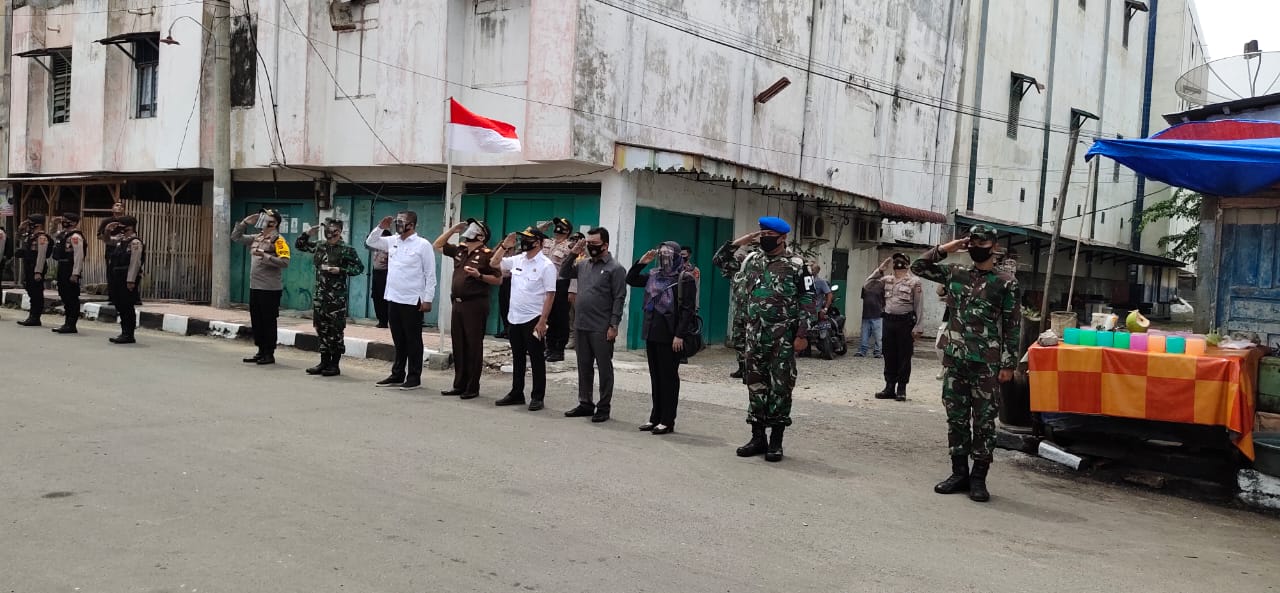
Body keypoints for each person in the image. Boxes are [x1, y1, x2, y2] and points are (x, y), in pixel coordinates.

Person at [912, 224, 1019, 503]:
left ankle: (979, 478)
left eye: (981, 242)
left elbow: (1012, 325)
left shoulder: (1005, 281)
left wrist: (1008, 364)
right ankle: (958, 473)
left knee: (984, 423)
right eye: (972, 242)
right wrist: (948, 248)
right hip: (956, 360)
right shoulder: (955, 274)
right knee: (956, 419)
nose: (975, 246)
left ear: (993, 247)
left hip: (986, 364)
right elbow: (918, 266)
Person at [728, 217, 817, 463]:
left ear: (782, 238)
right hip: (753, 336)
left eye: (769, 233)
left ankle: (776, 441)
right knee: (755, 386)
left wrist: (802, 334)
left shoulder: (797, 265)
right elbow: (721, 262)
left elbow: (808, 300)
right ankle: (758, 437)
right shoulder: (751, 261)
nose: (764, 237)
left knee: (780, 388)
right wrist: (741, 242)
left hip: (783, 339)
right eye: (762, 232)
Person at [559, 227, 628, 423]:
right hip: (581, 324)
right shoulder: (583, 265)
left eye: (594, 244)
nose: (590, 247)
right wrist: (573, 252)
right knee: (583, 366)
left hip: (601, 327)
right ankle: (585, 403)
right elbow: (563, 272)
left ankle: (604, 406)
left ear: (605, 245)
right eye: (588, 243)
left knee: (604, 368)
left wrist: (613, 325)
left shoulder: (616, 268)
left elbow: (619, 298)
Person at [628, 241, 697, 434]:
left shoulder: (685, 278)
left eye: (668, 255)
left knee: (668, 378)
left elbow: (687, 310)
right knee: (655, 377)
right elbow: (631, 279)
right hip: (652, 331)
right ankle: (655, 417)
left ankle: (667, 420)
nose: (664, 259)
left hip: (670, 335)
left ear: (676, 257)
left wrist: (679, 335)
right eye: (662, 255)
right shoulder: (653, 275)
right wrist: (642, 262)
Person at [366, 212, 437, 391]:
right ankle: (397, 374)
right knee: (398, 339)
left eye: (401, 221)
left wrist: (428, 299)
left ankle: (414, 376)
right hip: (393, 297)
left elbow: (430, 274)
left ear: (412, 224)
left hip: (413, 300)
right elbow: (371, 242)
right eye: (397, 220)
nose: (398, 223)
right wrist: (380, 227)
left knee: (413, 340)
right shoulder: (393, 241)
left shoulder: (423, 245)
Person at [489, 226, 558, 411]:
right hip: (515, 317)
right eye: (523, 239)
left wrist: (543, 321)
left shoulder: (546, 265)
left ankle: (537, 396)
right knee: (518, 357)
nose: (524, 242)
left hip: (534, 318)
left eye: (529, 239)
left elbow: (550, 295)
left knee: (536, 358)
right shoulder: (517, 259)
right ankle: (516, 392)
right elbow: (494, 264)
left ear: (539, 242)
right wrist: (504, 246)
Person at [435, 218, 501, 399]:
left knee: (473, 345)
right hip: (457, 303)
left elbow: (498, 279)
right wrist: (452, 230)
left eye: (474, 228)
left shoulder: (488, 254)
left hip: (475, 304)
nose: (469, 230)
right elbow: (438, 245)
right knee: (459, 345)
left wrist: (480, 276)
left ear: (481, 235)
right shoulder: (461, 250)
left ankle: (472, 387)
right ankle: (459, 384)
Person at [295, 218, 365, 377]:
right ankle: (323, 361)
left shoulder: (347, 249)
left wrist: (340, 270)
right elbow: (300, 246)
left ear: (339, 232)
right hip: (320, 296)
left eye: (333, 230)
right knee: (321, 329)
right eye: (327, 230)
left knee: (336, 330)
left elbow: (359, 268)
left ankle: (335, 364)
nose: (329, 233)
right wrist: (307, 234)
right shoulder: (320, 246)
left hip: (336, 299)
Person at [231, 209, 291, 365]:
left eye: (267, 219)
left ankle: (269, 353)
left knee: (268, 321)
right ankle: (260, 350)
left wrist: (265, 256)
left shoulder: (278, 240)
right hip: (255, 286)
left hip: (270, 289)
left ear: (274, 223)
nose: (263, 221)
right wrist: (244, 222)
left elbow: (285, 262)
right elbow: (235, 237)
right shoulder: (256, 237)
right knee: (256, 320)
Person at [867, 253, 924, 401]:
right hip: (888, 321)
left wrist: (918, 326)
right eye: (896, 259)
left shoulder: (914, 281)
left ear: (908, 263)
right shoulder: (886, 280)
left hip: (905, 322)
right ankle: (889, 387)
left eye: (902, 260)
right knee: (889, 354)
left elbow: (919, 305)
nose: (899, 262)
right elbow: (867, 286)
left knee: (904, 356)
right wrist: (880, 270)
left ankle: (901, 389)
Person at [712, 239, 755, 380]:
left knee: (756, 342)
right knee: (739, 340)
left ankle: (753, 370)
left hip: (758, 314)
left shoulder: (767, 269)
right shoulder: (738, 268)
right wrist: (743, 240)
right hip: (740, 312)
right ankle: (742, 368)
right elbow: (718, 259)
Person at [104, 216, 145, 344]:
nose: (119, 228)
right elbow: (107, 241)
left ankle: (129, 334)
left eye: (122, 225)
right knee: (120, 304)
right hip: (118, 276)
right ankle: (124, 332)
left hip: (127, 277)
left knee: (127, 305)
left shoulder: (135, 242)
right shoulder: (121, 240)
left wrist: (131, 280)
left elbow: (135, 262)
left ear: (130, 227)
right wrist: (107, 231)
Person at [541, 217, 577, 362]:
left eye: (560, 226)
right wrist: (544, 226)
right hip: (544, 284)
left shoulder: (570, 246)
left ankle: (558, 350)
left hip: (561, 284)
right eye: (556, 226)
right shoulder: (546, 242)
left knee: (560, 318)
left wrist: (573, 290)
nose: (557, 229)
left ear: (567, 230)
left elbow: (575, 268)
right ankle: (548, 347)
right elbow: (532, 234)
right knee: (547, 316)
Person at [50, 213, 86, 334]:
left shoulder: (76, 237)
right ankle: (67, 323)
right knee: (64, 294)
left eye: (67, 221)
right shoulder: (64, 234)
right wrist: (54, 224)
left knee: (71, 297)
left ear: (74, 223)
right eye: (63, 220)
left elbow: (78, 256)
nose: (64, 222)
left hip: (70, 268)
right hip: (62, 266)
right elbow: (53, 234)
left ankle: (71, 324)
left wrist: (75, 273)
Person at [15, 214, 50, 327]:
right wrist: (21, 228)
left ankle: (35, 317)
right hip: (29, 266)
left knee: (36, 293)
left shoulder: (42, 238)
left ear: (38, 224)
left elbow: (41, 255)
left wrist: (38, 271)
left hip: (36, 267)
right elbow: (18, 237)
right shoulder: (30, 236)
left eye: (30, 222)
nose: (28, 224)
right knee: (30, 290)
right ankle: (32, 316)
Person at [801, 261, 834, 357]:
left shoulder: (820, 282)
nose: (811, 270)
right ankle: (805, 350)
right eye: (810, 268)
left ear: (817, 271)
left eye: (812, 268)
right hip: (805, 311)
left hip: (817, 311)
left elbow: (829, 294)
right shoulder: (803, 281)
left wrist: (826, 308)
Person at [368, 228, 392, 328]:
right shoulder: (376, 247)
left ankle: (386, 320)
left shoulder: (390, 248)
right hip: (376, 273)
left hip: (385, 274)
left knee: (385, 297)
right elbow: (368, 242)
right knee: (376, 296)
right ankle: (381, 320)